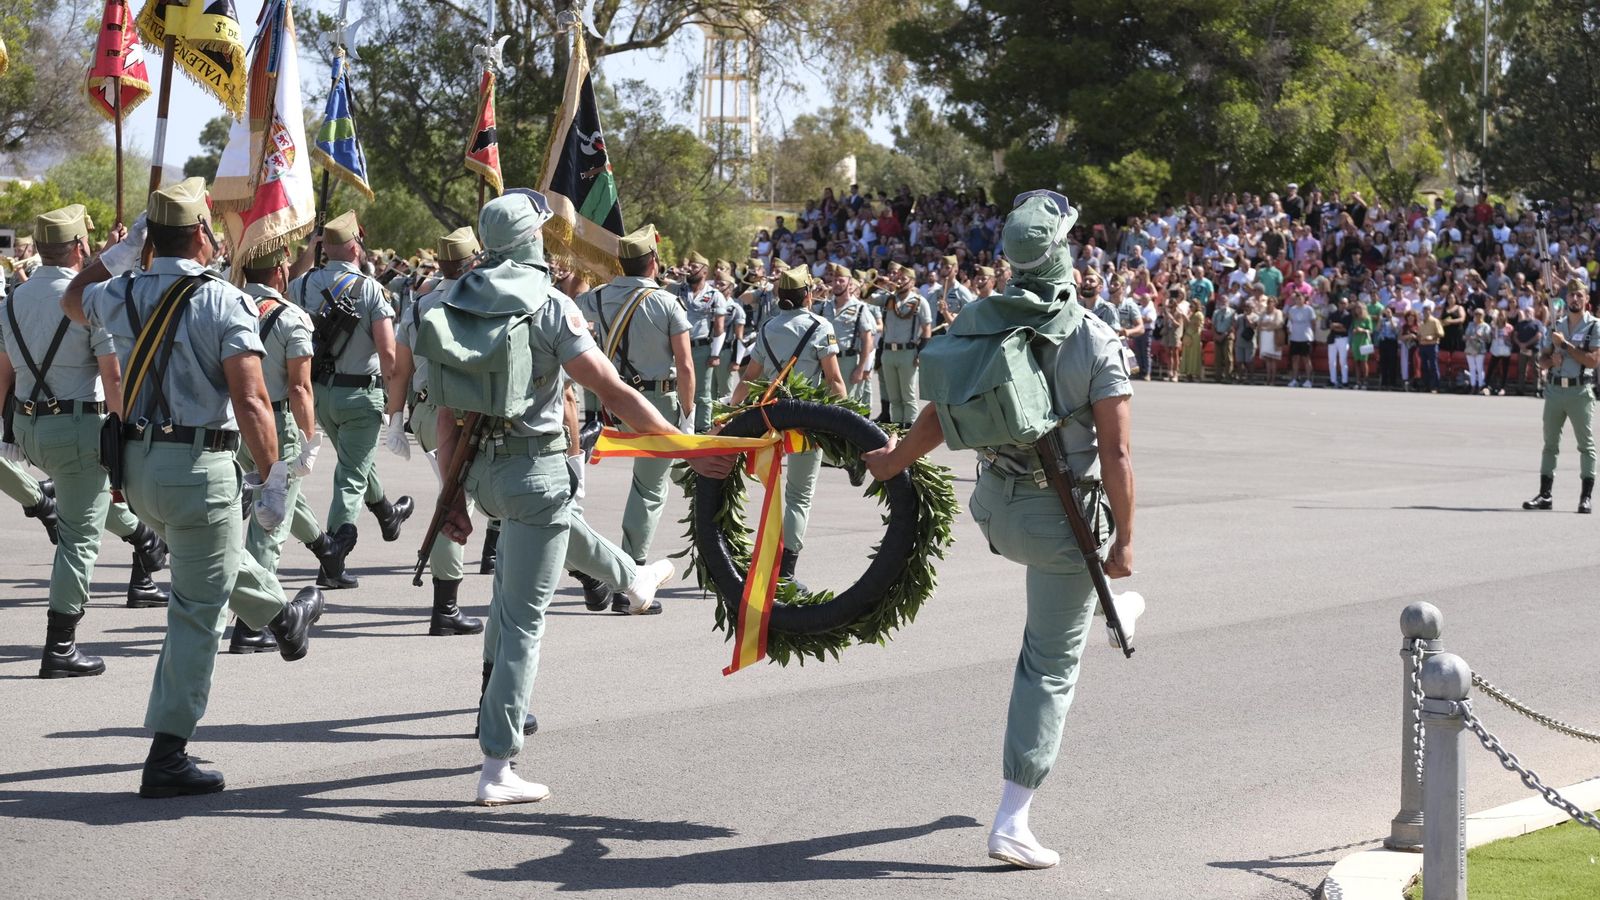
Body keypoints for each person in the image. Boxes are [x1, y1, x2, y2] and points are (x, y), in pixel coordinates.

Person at [419, 190, 730, 805]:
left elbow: (447, 412)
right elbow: (613, 392)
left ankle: (634, 580)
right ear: (531, 240)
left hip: (478, 472)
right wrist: (687, 446)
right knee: (518, 624)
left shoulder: (453, 298)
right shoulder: (552, 306)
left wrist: (449, 497)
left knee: (558, 531)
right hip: (533, 471)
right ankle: (497, 766)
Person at [864, 191, 1138, 870]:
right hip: (1061, 525)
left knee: (1066, 616)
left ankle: (1112, 608)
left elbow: (941, 406)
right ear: (1066, 257)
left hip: (994, 510)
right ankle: (1013, 818)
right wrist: (1127, 541)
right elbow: (1118, 455)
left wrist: (896, 458)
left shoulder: (982, 318)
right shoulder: (1094, 339)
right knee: (1048, 663)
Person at [62, 177, 324, 797]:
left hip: (138, 470)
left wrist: (118, 254)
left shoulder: (119, 291)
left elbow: (75, 299)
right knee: (196, 613)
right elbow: (253, 399)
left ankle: (284, 617)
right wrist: (273, 476)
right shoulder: (223, 301)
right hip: (198, 466)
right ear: (204, 234)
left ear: (150, 238)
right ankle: (168, 754)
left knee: (210, 562)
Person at [0, 205, 171, 679]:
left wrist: (7, 428)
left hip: (30, 428)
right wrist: (125, 429)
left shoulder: (12, 298)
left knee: (84, 501)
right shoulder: (92, 300)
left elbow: (4, 372)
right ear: (78, 249)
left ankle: (142, 537)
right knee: (79, 537)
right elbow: (113, 377)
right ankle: (61, 645)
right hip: (79, 426)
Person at [226, 246, 345, 652]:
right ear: (280, 271)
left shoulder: (228, 304)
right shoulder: (292, 317)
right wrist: (311, 437)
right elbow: (299, 387)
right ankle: (252, 624)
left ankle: (324, 547)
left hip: (236, 419)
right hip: (277, 422)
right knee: (270, 524)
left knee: (265, 509)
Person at [287, 210, 413, 566]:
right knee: (350, 476)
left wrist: (309, 253)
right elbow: (388, 354)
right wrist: (397, 407)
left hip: (320, 394)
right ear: (356, 246)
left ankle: (388, 514)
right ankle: (334, 555)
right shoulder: (372, 289)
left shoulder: (303, 284)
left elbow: (282, 286)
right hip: (360, 395)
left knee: (354, 458)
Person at [574, 223, 696, 568]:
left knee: (677, 472)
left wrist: (581, 257)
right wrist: (687, 415)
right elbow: (685, 367)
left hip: (614, 402)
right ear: (653, 261)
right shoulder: (667, 303)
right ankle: (631, 569)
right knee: (649, 488)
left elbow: (570, 305)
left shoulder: (596, 298)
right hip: (658, 404)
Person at [390, 227, 489, 636]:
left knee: (455, 496)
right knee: (460, 500)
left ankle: (447, 604)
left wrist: (396, 417)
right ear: (474, 263)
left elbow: (401, 368)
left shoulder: (418, 306)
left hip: (429, 410)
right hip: (473, 410)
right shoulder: (485, 302)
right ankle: (445, 607)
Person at [730, 266, 848, 584]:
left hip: (770, 421)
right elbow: (835, 380)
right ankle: (787, 570)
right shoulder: (820, 326)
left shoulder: (768, 327)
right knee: (799, 495)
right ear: (807, 295)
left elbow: (750, 377)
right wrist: (851, 422)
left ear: (780, 297)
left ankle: (760, 559)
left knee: (771, 493)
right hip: (806, 421)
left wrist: (728, 410)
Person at [1523, 284, 1598, 513]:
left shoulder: (1594, 325)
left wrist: (1564, 345)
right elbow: (1542, 360)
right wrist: (1551, 360)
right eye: (1571, 295)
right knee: (1550, 444)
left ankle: (1585, 497)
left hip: (1579, 391)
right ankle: (1545, 495)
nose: (1574, 298)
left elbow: (1593, 361)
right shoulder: (1557, 325)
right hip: (1555, 390)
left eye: (1579, 295)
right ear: (1566, 299)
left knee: (1586, 445)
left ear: (1586, 299)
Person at [669, 252, 728, 432]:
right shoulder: (677, 289)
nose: (690, 270)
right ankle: (678, 425)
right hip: (677, 346)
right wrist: (671, 277)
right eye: (690, 266)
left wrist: (715, 353)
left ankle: (702, 428)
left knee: (702, 392)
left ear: (704, 271)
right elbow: (656, 292)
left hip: (701, 348)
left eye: (695, 267)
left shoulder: (715, 294)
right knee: (676, 388)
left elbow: (719, 327)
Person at [879, 261, 933, 425]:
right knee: (894, 396)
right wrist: (880, 283)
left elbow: (927, 329)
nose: (900, 281)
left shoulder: (919, 301)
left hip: (907, 352)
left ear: (913, 282)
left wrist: (920, 353)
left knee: (908, 396)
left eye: (904, 279)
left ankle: (909, 430)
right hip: (888, 352)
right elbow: (866, 297)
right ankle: (895, 429)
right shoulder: (889, 299)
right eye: (898, 277)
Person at [820, 264, 877, 404]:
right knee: (823, 403)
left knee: (846, 404)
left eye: (841, 281)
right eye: (835, 280)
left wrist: (860, 368)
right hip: (825, 360)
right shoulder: (824, 306)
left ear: (849, 283)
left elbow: (867, 340)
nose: (837, 284)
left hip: (848, 362)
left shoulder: (860, 308)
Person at [1285, 290, 1315, 387]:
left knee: (1306, 359)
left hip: (1306, 337)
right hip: (1295, 338)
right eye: (1297, 299)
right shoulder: (1292, 309)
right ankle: (1294, 379)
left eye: (1300, 298)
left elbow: (1313, 323)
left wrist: (1311, 334)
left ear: (1304, 299)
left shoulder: (1309, 309)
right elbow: (1290, 322)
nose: (1298, 300)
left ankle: (1309, 380)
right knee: (1295, 359)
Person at [1463, 307, 1492, 396]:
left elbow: (1488, 339)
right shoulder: (1471, 324)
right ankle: (1472, 386)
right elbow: (1466, 335)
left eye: (1480, 314)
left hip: (1480, 349)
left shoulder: (1486, 326)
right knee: (1471, 368)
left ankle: (1480, 386)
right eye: (1476, 314)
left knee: (1479, 368)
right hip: (1470, 348)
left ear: (1483, 315)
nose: (1478, 316)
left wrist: (1481, 336)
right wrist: (1470, 337)